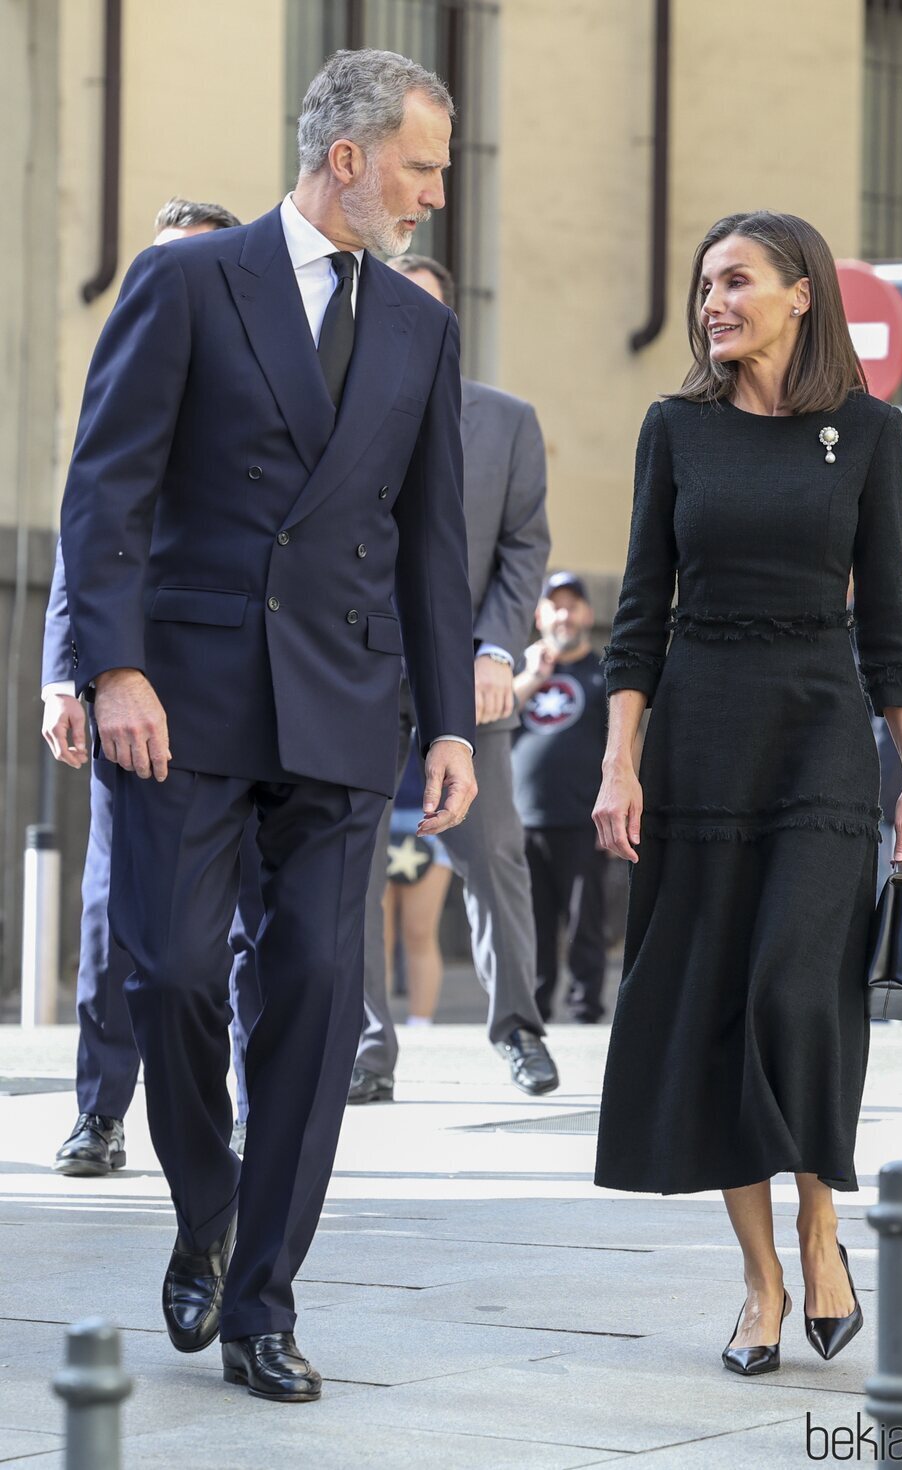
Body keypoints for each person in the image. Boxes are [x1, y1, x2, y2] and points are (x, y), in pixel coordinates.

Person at [58, 49, 477, 1403]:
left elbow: (431, 537)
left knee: (313, 998)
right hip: (180, 704)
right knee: (168, 972)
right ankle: (207, 1199)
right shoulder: (188, 281)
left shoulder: (418, 326)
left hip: (346, 708)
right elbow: (105, 488)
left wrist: (450, 717)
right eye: (421, 166)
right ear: (346, 159)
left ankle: (263, 1301)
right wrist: (108, 665)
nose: (435, 194)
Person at [591, 211, 902, 1378]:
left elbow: (884, 622)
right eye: (701, 286)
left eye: (734, 281)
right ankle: (758, 1281)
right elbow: (639, 615)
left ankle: (818, 1220)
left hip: (818, 743)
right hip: (697, 742)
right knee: (709, 1004)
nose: (711, 303)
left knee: (794, 989)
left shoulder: (867, 431)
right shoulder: (675, 429)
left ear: (802, 294)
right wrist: (617, 760)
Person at [41, 197, 246, 1178]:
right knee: (116, 914)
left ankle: (238, 1101)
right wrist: (65, 675)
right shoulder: (131, 368)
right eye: (159, 269)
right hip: (136, 691)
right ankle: (99, 1111)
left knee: (254, 921)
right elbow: (91, 522)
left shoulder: (262, 385)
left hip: (252, 697)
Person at [350, 253, 558, 1103]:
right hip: (354, 673)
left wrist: (496, 652)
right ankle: (365, 1046)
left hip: (467, 675)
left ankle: (518, 1029)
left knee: (493, 850)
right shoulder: (337, 411)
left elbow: (524, 550)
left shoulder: (506, 424)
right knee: (346, 861)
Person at [512, 572, 609, 1023]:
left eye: (573, 605)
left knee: (583, 920)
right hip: (523, 820)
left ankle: (586, 1007)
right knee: (532, 923)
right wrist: (531, 678)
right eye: (556, 605)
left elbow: (630, 745)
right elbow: (487, 717)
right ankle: (535, 1011)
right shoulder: (518, 672)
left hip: (583, 819)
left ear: (588, 614)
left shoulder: (603, 673)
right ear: (540, 615)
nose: (565, 614)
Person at [384, 744, 455, 1024]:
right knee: (376, 935)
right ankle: (375, 1028)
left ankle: (420, 1025)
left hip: (428, 813)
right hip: (377, 808)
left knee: (420, 930)